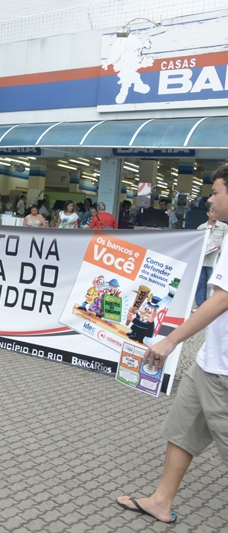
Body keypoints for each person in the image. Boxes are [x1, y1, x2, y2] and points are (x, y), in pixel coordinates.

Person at [116, 164, 228, 525]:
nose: (209, 199)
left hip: (224, 373)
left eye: (215, 192)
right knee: (182, 429)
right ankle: (161, 502)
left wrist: (171, 340)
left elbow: (222, 299)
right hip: (210, 362)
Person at [195, 206, 228, 308]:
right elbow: (196, 243)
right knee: (201, 283)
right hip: (203, 260)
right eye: (211, 212)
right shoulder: (201, 227)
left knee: (214, 284)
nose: (213, 214)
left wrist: (221, 246)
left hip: (215, 260)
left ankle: (212, 306)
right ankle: (200, 304)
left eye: (215, 212)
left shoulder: (223, 227)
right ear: (207, 214)